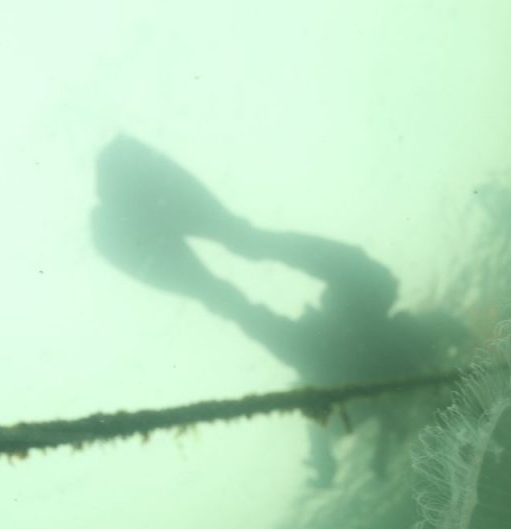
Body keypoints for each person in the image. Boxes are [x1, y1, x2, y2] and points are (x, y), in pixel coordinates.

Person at [88, 135, 469, 486]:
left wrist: (322, 462)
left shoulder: (382, 381)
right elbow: (448, 329)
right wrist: (323, 461)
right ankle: (161, 201)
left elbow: (318, 418)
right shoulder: (414, 355)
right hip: (338, 339)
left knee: (235, 278)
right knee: (235, 281)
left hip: (325, 352)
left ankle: (157, 201)